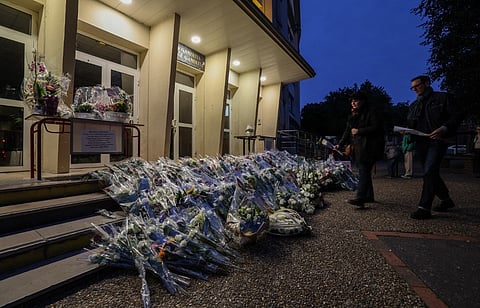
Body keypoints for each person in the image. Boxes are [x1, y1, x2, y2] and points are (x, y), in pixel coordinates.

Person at [407, 75, 463, 219]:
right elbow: (412, 123)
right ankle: (446, 200)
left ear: (426, 83)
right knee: (431, 173)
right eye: (412, 88)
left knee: (429, 171)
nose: (415, 90)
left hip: (437, 141)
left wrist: (444, 128)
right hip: (421, 141)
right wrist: (406, 131)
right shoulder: (415, 105)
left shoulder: (442, 98)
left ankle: (424, 207)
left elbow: (457, 115)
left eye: (417, 86)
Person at [335, 92, 385, 208]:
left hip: (370, 147)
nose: (353, 103)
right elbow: (348, 130)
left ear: (363, 101)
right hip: (359, 147)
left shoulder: (371, 112)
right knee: (365, 171)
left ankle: (360, 197)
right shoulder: (353, 114)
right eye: (352, 101)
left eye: (356, 100)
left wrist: (359, 131)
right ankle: (369, 196)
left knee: (363, 171)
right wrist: (340, 144)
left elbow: (376, 127)